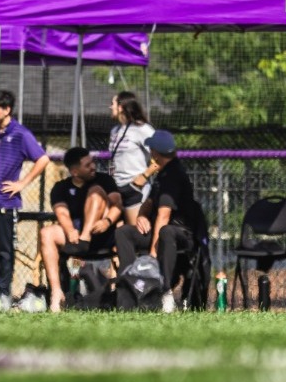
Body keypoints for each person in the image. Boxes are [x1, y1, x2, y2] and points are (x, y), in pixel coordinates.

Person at [0, 89, 46, 298]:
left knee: (5, 249)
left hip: (5, 201)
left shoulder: (20, 134)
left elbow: (42, 159)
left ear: (6, 110)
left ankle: (2, 292)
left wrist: (21, 183)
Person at [117, 130, 201, 312]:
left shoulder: (173, 175)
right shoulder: (161, 174)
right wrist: (141, 216)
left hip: (181, 233)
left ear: (156, 152)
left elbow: (164, 216)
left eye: (151, 149)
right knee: (124, 232)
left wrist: (153, 255)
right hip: (160, 231)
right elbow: (148, 202)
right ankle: (131, 284)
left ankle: (165, 292)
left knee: (166, 232)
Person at [39, 147, 120, 312]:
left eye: (92, 162)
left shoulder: (104, 180)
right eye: (87, 165)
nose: (93, 167)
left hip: (103, 234)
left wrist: (107, 221)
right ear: (75, 172)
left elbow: (117, 204)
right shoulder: (60, 188)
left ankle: (85, 237)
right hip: (76, 238)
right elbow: (61, 211)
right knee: (46, 233)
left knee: (96, 192)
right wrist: (69, 230)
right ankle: (56, 292)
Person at [107, 92, 155, 223]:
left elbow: (162, 157)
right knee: (115, 235)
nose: (110, 107)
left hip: (134, 189)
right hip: (116, 189)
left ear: (121, 107)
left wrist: (143, 177)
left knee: (134, 234)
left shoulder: (142, 129)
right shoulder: (115, 131)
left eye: (113, 104)